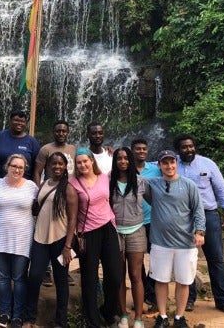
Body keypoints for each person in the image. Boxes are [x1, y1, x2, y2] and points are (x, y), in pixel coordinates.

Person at [174, 134, 224, 315]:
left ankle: (222, 300)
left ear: (195, 147)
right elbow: (143, 165)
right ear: (178, 150)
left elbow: (221, 187)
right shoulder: (171, 163)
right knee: (187, 259)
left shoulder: (208, 164)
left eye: (191, 146)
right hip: (183, 217)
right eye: (184, 147)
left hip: (208, 215)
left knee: (216, 258)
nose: (188, 150)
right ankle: (189, 299)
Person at [148, 150, 205, 328]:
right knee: (161, 280)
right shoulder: (152, 184)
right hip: (160, 242)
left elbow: (198, 210)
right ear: (159, 166)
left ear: (176, 163)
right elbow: (133, 179)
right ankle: (163, 316)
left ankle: (179, 317)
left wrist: (200, 231)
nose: (169, 166)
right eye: (165, 163)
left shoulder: (189, 185)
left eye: (172, 162)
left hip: (185, 243)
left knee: (184, 280)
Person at [69, 147, 121, 328]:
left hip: (108, 228)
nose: (82, 164)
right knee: (89, 278)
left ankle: (108, 310)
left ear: (92, 161)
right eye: (79, 162)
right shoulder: (73, 182)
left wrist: (117, 154)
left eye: (85, 161)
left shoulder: (104, 178)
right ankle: (92, 321)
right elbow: (71, 211)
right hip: (88, 233)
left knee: (115, 275)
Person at [26, 152, 78, 328]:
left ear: (65, 167)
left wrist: (68, 246)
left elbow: (72, 219)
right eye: (53, 164)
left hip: (60, 240)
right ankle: (29, 318)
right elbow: (37, 208)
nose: (57, 167)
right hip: (40, 238)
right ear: (48, 166)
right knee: (34, 277)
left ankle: (61, 322)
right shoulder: (43, 185)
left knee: (61, 280)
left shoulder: (69, 188)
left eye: (60, 164)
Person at [0, 154, 38, 328]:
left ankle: (17, 316)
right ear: (7, 166)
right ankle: (4, 313)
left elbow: (38, 210)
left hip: (22, 238)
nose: (17, 169)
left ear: (25, 169)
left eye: (21, 167)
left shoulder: (32, 187)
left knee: (19, 279)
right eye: (14, 166)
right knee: (2, 278)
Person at [110, 147, 150, 328]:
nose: (123, 161)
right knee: (119, 275)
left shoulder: (141, 182)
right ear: (115, 161)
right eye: (119, 158)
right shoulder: (109, 181)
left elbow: (155, 201)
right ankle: (124, 315)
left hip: (136, 231)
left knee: (135, 275)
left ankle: (139, 318)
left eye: (126, 158)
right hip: (115, 232)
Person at [33, 120, 76, 287]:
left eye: (64, 131)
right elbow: (37, 171)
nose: (61, 133)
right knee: (47, 232)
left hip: (67, 193)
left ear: (68, 132)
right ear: (54, 132)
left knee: (65, 230)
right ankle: (46, 271)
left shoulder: (73, 149)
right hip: (49, 192)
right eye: (58, 131)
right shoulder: (46, 149)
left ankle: (63, 271)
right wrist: (39, 192)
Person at [131, 138, 162, 309]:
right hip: (134, 222)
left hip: (152, 220)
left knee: (155, 257)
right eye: (137, 149)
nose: (141, 151)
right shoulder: (126, 169)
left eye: (144, 149)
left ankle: (152, 293)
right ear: (132, 151)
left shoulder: (155, 170)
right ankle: (142, 293)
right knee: (137, 261)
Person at [0, 110, 40, 180]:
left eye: (22, 121)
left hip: (23, 187)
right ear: (10, 121)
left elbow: (36, 168)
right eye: (16, 120)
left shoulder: (32, 142)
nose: (19, 123)